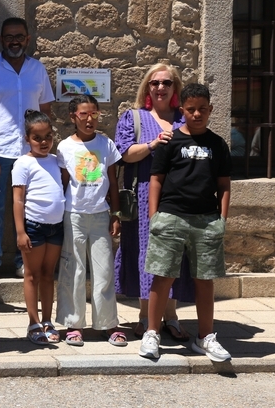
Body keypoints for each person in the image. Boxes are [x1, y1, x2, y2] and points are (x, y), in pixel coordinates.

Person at [139, 83, 232, 362]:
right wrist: (154, 216)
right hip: (171, 217)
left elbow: (224, 185)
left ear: (210, 110)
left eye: (202, 109)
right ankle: (152, 333)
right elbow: (156, 180)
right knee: (163, 276)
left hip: (206, 221)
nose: (197, 114)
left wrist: (222, 219)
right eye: (191, 109)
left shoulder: (217, 144)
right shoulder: (171, 141)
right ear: (183, 110)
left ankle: (205, 337)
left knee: (205, 280)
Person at [0, 17, 55, 282]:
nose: (14, 41)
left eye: (19, 36)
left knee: (29, 208)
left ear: (27, 39)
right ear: (1, 40)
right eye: (9, 37)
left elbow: (46, 110)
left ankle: (23, 261)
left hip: (29, 154)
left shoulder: (37, 69)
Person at [114, 63, 195, 341]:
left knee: (175, 255)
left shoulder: (183, 119)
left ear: (175, 88)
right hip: (143, 195)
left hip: (178, 199)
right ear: (147, 87)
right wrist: (152, 145)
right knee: (146, 254)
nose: (160, 87)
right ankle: (146, 316)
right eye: (155, 83)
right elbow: (124, 153)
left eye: (167, 83)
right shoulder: (133, 118)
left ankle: (170, 316)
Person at [55, 95, 127, 347]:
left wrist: (115, 214)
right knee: (73, 270)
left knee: (104, 270)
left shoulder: (105, 144)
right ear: (73, 117)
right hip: (72, 214)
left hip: (100, 215)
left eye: (93, 114)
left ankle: (108, 323)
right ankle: (74, 324)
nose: (89, 119)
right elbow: (63, 183)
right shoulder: (64, 147)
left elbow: (114, 181)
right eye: (83, 114)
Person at [12, 110, 66, 347]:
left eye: (48, 137)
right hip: (34, 227)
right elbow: (18, 200)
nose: (43, 142)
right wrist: (20, 231)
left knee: (47, 274)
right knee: (31, 275)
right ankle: (33, 322)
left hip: (56, 227)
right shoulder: (23, 163)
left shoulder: (56, 160)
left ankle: (47, 321)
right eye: (37, 138)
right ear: (27, 139)